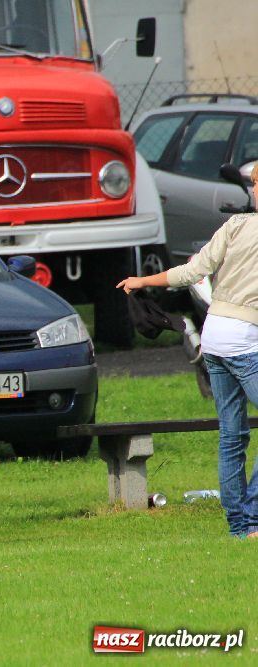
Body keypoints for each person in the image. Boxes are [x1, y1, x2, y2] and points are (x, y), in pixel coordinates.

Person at [117, 178, 258, 540]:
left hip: (214, 337)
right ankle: (253, 516)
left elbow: (192, 272)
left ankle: (240, 527)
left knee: (231, 435)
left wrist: (141, 280)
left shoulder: (235, 225)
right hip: (245, 339)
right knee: (233, 434)